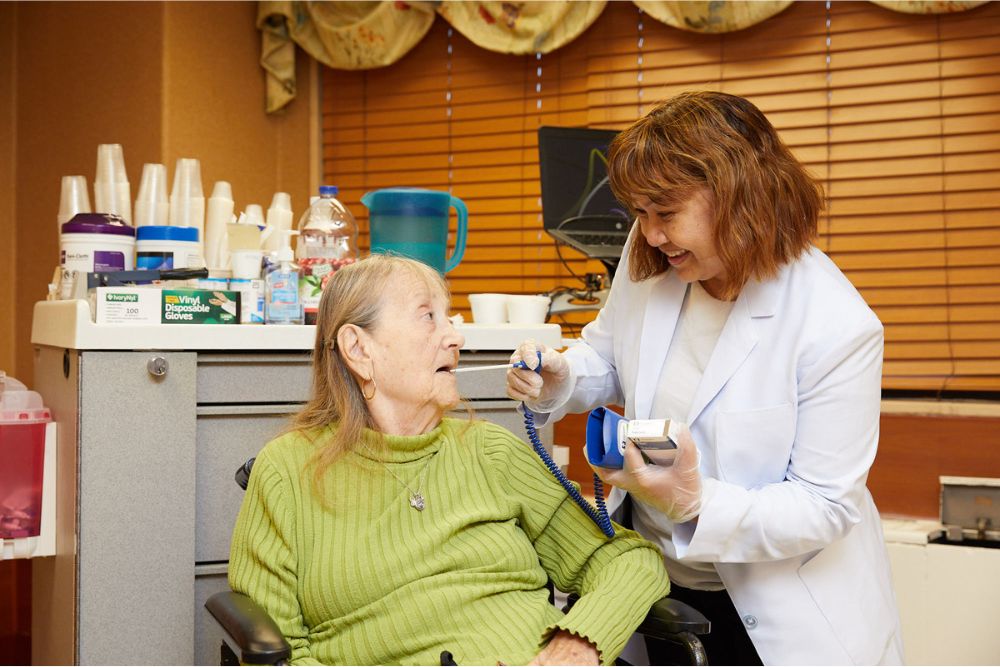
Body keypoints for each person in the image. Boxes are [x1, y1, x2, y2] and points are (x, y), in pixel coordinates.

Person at [507, 91, 903, 666]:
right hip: (660, 583)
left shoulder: (835, 326)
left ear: (744, 198)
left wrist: (698, 501)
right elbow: (611, 357)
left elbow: (825, 506)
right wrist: (564, 376)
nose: (648, 235)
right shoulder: (658, 262)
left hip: (779, 614)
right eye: (638, 213)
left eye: (665, 212)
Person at [228, 254, 669, 666]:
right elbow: (279, 652)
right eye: (428, 317)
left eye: (450, 316)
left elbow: (627, 560)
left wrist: (579, 642)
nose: (456, 336)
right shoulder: (287, 471)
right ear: (359, 349)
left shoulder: (491, 453)